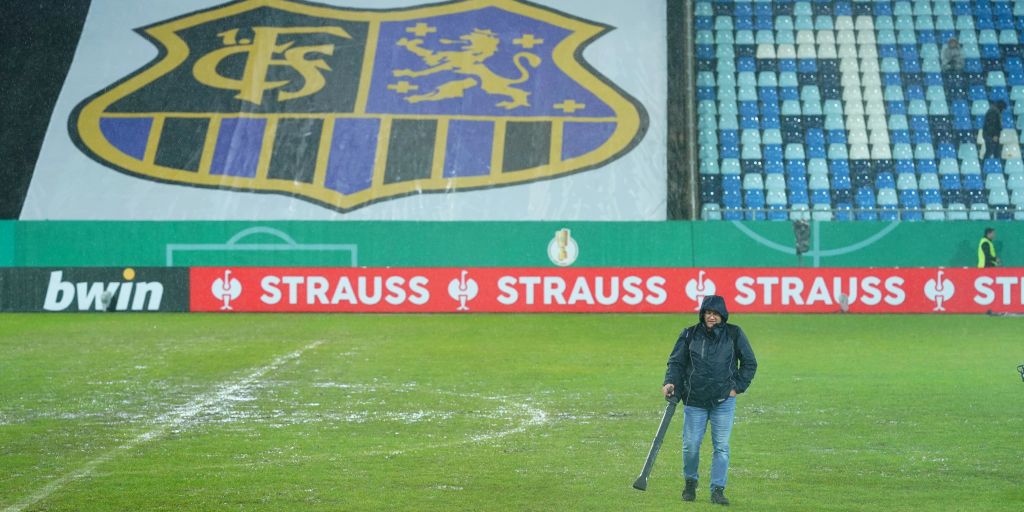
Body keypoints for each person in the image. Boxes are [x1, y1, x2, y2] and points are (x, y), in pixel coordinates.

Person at [662, 295, 758, 505]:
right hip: (694, 400)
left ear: (722, 315)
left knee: (721, 447)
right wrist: (670, 382)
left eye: (715, 313)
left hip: (723, 401)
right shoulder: (689, 334)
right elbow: (677, 363)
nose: (711, 317)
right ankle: (690, 482)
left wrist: (737, 387)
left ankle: (717, 490)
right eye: (708, 313)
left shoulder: (734, 333)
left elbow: (750, 363)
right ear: (702, 314)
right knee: (691, 447)